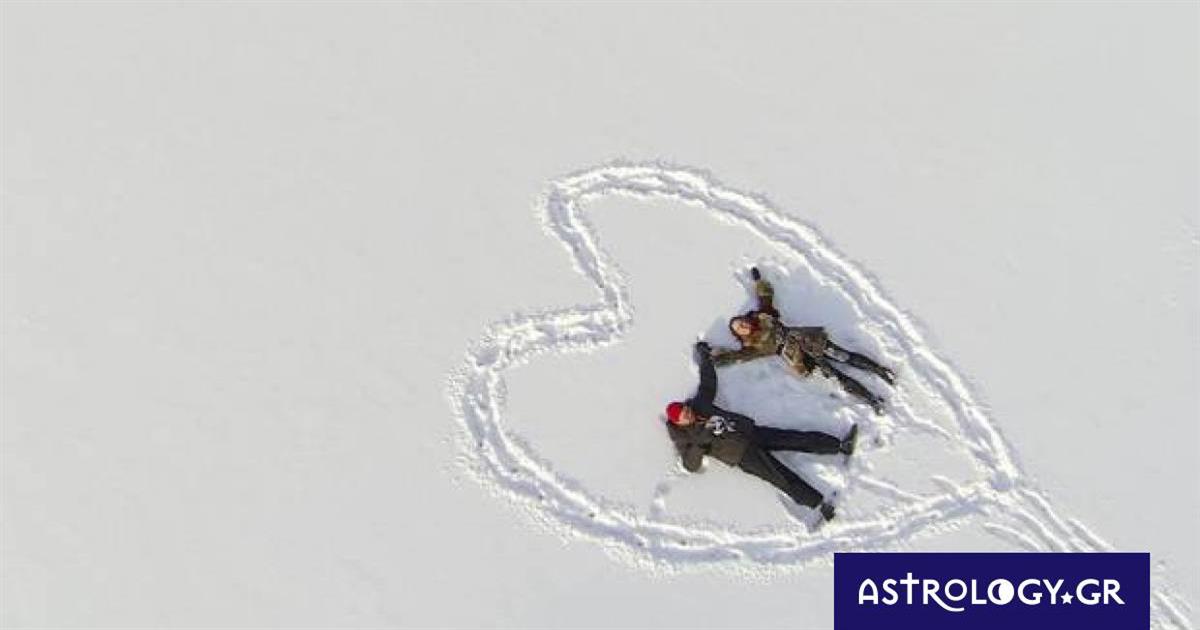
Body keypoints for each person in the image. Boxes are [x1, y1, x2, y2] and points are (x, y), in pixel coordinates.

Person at [665, 342, 857, 522]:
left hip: (750, 432)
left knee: (794, 438)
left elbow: (708, 384)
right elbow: (690, 465)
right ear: (678, 422)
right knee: (780, 476)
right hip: (742, 455)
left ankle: (840, 446)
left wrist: (704, 356)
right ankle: (819, 505)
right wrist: (701, 440)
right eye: (684, 416)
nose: (688, 415)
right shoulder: (683, 436)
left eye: (686, 410)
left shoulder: (699, 405)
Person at [711, 267, 895, 414]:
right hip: (798, 357)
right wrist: (714, 359)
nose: (743, 326)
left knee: (844, 356)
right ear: (740, 335)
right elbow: (736, 357)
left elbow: (765, 297)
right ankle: (873, 400)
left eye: (741, 322)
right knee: (838, 378)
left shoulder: (762, 316)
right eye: (739, 328)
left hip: (807, 339)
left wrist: (758, 281)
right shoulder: (752, 346)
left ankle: (881, 371)